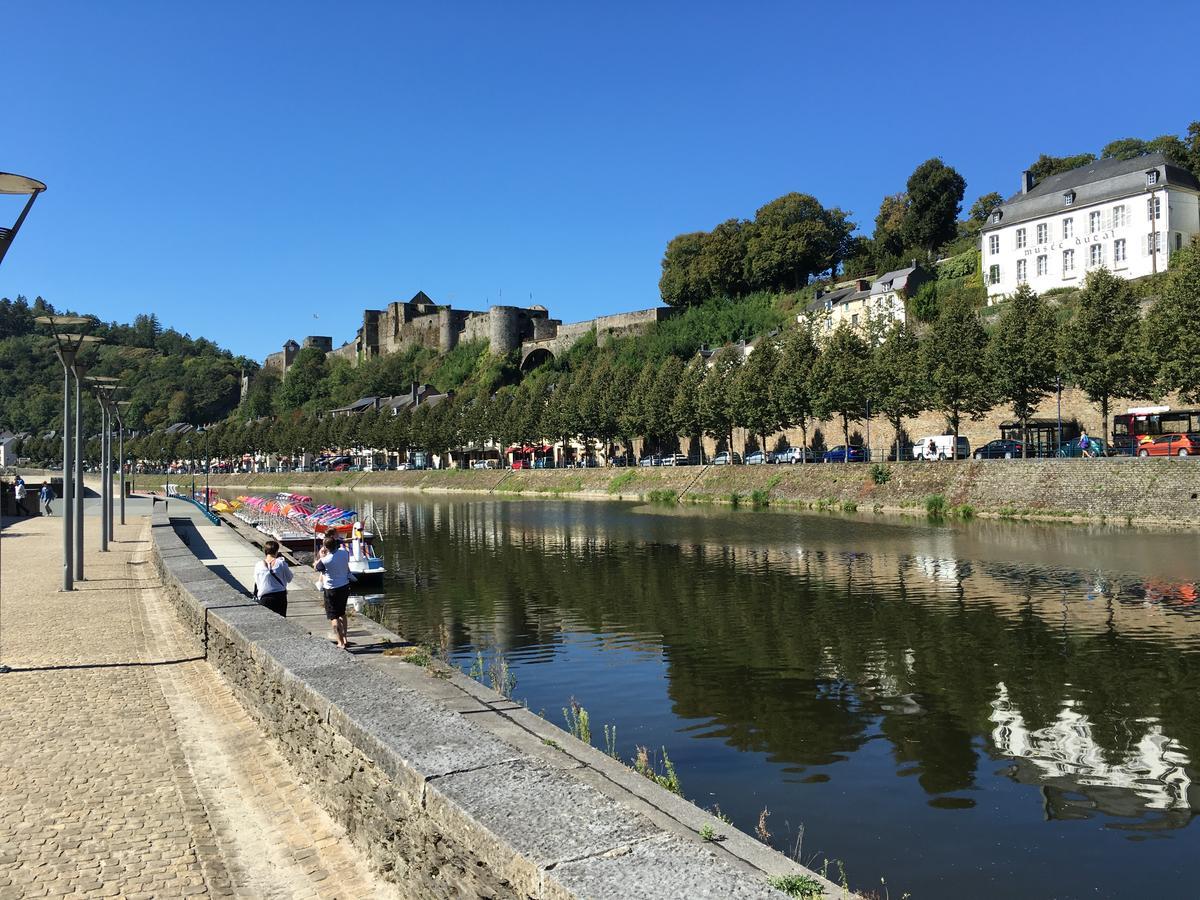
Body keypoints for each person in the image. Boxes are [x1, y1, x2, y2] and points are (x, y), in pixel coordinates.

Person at [315, 535, 353, 650]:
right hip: (344, 586)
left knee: (333, 616)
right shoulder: (344, 553)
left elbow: (317, 568)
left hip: (331, 589)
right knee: (342, 613)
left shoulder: (325, 560)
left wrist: (319, 558)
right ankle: (345, 638)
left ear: (326, 547)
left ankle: (340, 642)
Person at [253, 539, 293, 617]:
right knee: (281, 621)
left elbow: (257, 582)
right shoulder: (281, 563)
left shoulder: (258, 565)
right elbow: (289, 578)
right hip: (280, 596)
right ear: (276, 551)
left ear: (265, 551)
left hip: (264, 597)